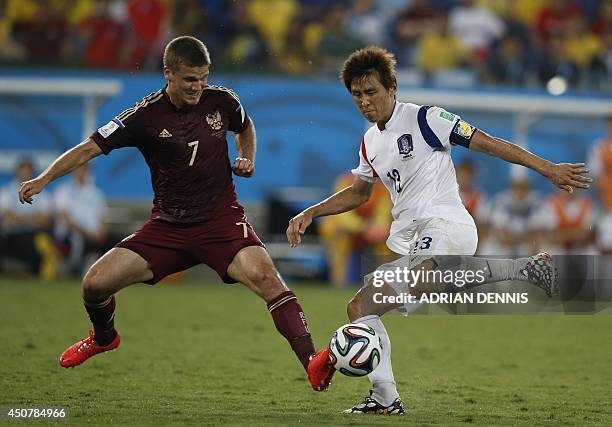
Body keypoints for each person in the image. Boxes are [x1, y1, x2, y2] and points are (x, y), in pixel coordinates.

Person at [286, 46, 591, 414]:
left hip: (446, 224)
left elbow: (490, 144)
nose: (365, 102)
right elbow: (359, 192)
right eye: (357, 95)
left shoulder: (427, 119)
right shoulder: (370, 142)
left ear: (392, 87)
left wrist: (547, 169)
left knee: (421, 280)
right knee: (360, 307)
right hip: (416, 237)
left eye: (372, 92)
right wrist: (311, 212)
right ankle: (385, 399)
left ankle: (332, 358)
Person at [18, 36, 332, 392]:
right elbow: (89, 148)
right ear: (168, 73)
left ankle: (312, 363)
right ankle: (104, 338)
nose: (198, 87)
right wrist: (44, 178)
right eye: (189, 80)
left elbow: (246, 127)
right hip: (167, 227)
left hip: (221, 222)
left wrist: (248, 157)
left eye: (202, 77)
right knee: (94, 284)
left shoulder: (223, 101)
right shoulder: (144, 116)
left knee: (269, 279)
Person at [319, 172, 391, 286]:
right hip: (344, 229)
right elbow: (343, 215)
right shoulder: (346, 181)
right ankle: (338, 282)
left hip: (368, 230)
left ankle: (385, 282)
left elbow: (383, 216)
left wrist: (378, 230)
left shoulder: (384, 188)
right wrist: (364, 227)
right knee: (337, 230)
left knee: (386, 237)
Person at [1, 157, 56, 280]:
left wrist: (19, 218)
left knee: (40, 242)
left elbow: (46, 219)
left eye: (28, 170)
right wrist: (34, 217)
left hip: (34, 233)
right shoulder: (6, 192)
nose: (25, 173)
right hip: (13, 234)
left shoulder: (42, 193)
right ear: (17, 171)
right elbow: (7, 216)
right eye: (23, 170)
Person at [53, 163, 107, 276]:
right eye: (79, 169)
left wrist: (100, 233)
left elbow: (101, 219)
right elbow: (66, 218)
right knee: (78, 239)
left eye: (85, 169)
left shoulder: (96, 194)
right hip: (70, 233)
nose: (81, 172)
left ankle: (102, 274)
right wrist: (88, 233)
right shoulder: (64, 191)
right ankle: (75, 269)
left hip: (92, 235)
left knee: (112, 242)